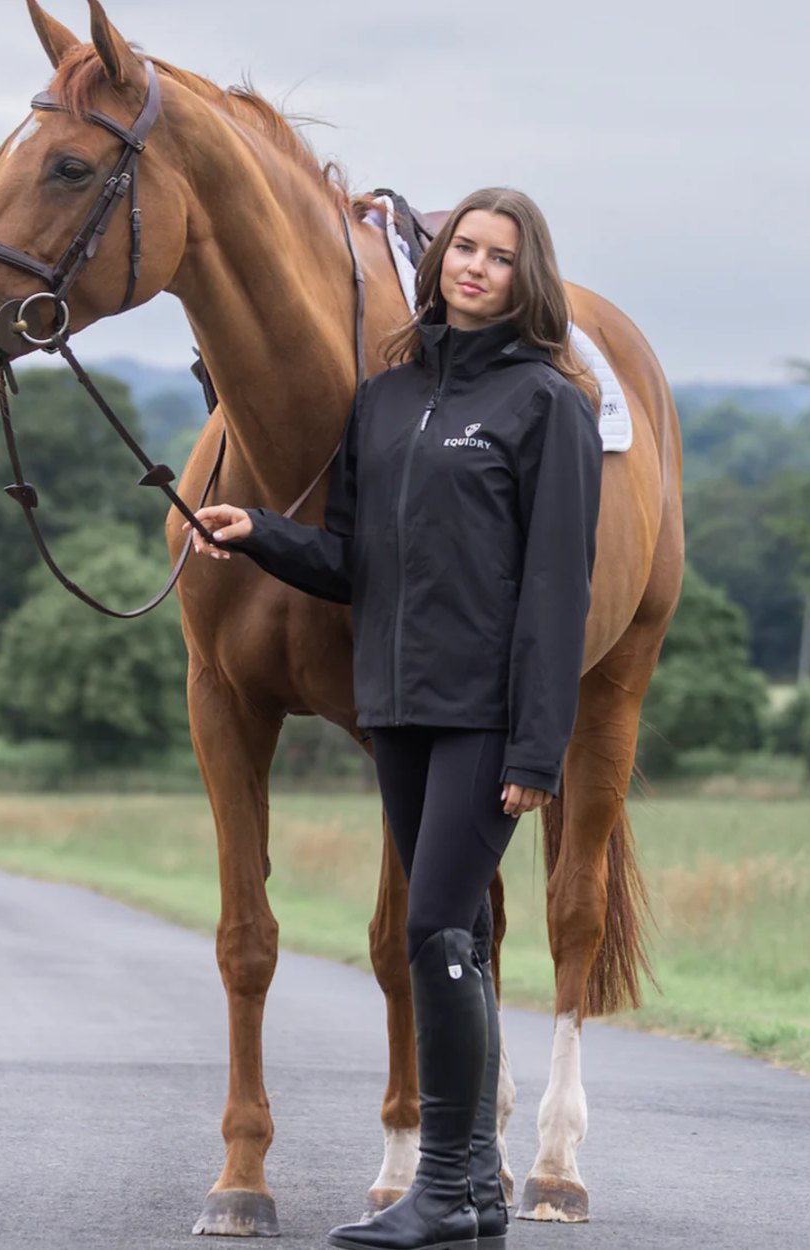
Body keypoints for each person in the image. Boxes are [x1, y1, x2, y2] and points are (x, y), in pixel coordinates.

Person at [184, 187, 603, 1250]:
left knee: (430, 926)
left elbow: (557, 588)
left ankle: (453, 1178)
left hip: (483, 714)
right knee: (447, 929)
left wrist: (536, 747)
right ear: (440, 258)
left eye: (500, 257)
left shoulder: (545, 403)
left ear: (526, 279)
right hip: (399, 709)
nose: (474, 266)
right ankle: (464, 1196)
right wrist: (261, 536)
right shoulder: (385, 400)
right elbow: (354, 562)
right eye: (464, 246)